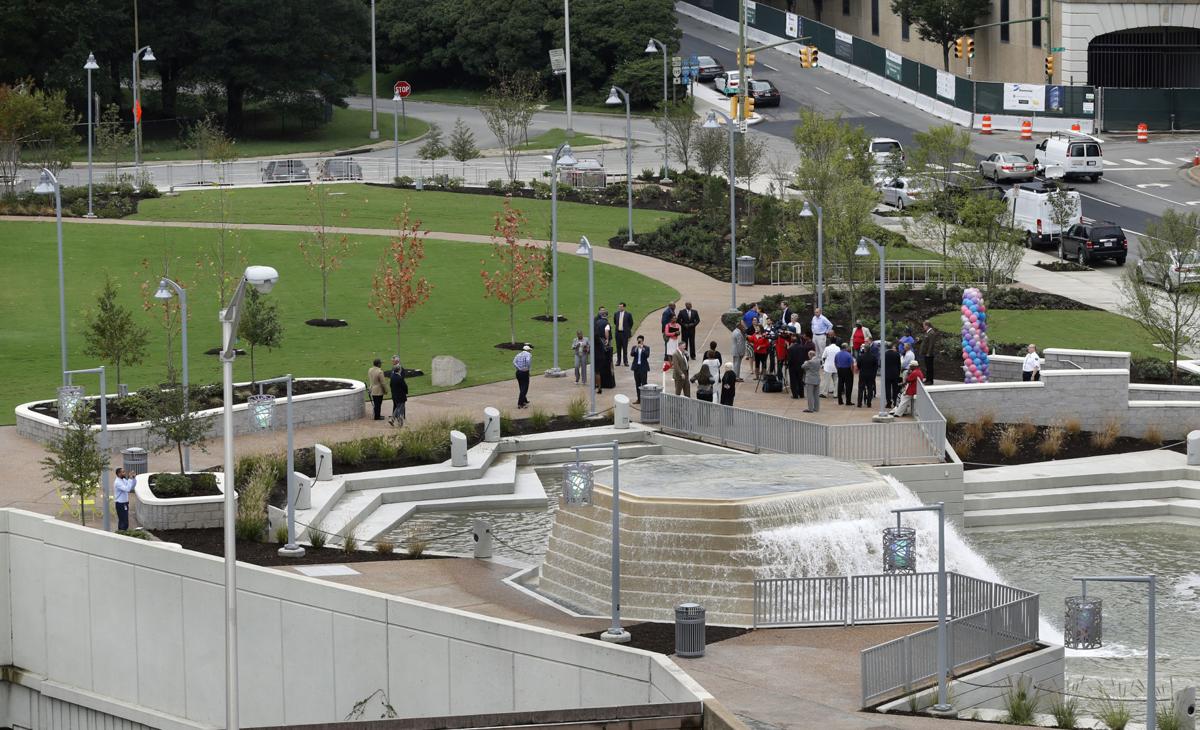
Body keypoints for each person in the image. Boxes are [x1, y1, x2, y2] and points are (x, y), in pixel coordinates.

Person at [856, 342, 878, 408]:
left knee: (861, 389)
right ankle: (869, 403)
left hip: (863, 374)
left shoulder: (861, 357)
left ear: (864, 349)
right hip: (871, 375)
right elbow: (876, 367)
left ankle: (859, 403)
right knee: (870, 389)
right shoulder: (873, 357)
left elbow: (858, 365)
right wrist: (873, 373)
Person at [630, 335, 651, 402]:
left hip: (643, 368)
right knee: (637, 384)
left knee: (644, 383)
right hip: (636, 368)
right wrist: (636, 348)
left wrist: (643, 349)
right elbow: (632, 354)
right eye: (638, 341)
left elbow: (647, 355)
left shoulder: (646, 348)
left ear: (643, 341)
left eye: (640, 341)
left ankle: (645, 398)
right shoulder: (634, 347)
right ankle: (639, 399)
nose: (639, 342)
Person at [918, 320, 940, 385]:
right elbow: (926, 341)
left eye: (924, 325)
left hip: (929, 354)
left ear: (927, 326)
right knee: (927, 367)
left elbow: (931, 344)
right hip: (926, 353)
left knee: (929, 367)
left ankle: (930, 381)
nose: (923, 327)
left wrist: (928, 353)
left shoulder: (931, 333)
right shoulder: (928, 332)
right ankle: (927, 379)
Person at [113, 467, 135, 531]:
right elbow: (127, 489)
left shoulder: (123, 480)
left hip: (124, 503)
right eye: (123, 472)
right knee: (124, 522)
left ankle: (121, 533)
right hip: (120, 504)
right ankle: (122, 534)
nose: (125, 473)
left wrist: (133, 478)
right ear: (119, 474)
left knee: (123, 521)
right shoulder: (117, 482)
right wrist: (130, 478)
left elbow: (130, 486)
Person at [787, 335, 806, 399]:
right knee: (800, 380)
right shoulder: (802, 347)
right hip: (801, 366)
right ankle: (801, 394)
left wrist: (788, 365)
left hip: (793, 367)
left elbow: (789, 359)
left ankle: (795, 395)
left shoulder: (791, 348)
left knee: (793, 381)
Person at [884, 341, 903, 409]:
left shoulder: (885, 354)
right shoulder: (897, 354)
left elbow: (882, 364)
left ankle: (888, 403)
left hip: (887, 374)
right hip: (895, 373)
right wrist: (898, 373)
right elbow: (899, 365)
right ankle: (895, 402)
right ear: (892, 347)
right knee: (895, 389)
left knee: (887, 389)